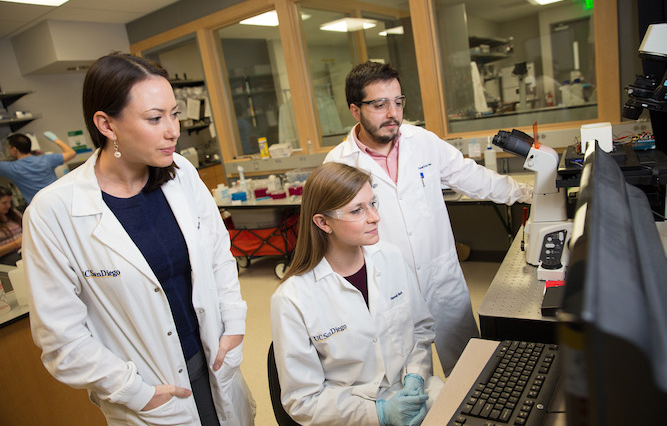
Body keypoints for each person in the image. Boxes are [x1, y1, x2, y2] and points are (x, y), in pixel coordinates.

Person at [22, 52, 255, 426]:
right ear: (106, 124)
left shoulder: (182, 174)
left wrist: (234, 325)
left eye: (174, 114)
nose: (172, 130)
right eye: (155, 118)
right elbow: (61, 338)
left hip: (213, 359)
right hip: (151, 387)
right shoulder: (54, 212)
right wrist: (136, 393)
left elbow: (218, 256)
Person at [325, 61, 533, 376]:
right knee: (407, 377)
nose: (392, 113)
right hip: (388, 287)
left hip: (441, 277)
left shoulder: (421, 141)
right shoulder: (339, 164)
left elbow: (469, 176)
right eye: (380, 105)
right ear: (355, 110)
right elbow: (334, 238)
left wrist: (526, 192)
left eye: (398, 102)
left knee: (469, 368)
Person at [271, 162, 444, 426]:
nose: (374, 217)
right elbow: (302, 399)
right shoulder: (292, 298)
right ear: (322, 222)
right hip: (351, 413)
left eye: (373, 203)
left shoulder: (391, 257)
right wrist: (381, 414)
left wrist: (415, 377)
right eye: (357, 210)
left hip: (414, 393)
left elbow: (419, 328)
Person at [0, 131, 76, 205]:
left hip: (37, 208)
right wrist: (55, 139)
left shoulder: (11, 168)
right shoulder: (46, 159)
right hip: (59, 202)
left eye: (9, 148)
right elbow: (71, 153)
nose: (8, 150)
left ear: (14, 150)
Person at [0, 185, 22, 265]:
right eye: (4, 203)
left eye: (10, 202)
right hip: (8, 257)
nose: (8, 206)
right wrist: (15, 243)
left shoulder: (13, 213)